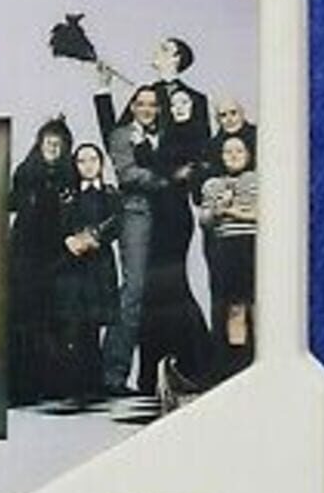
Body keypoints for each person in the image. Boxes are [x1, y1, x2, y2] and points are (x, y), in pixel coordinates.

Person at [139, 88, 212, 390]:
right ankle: (161, 367)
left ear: (195, 107)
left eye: (185, 102)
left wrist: (187, 173)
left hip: (174, 218)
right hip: (155, 217)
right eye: (173, 103)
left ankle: (194, 363)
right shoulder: (166, 134)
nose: (179, 106)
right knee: (156, 291)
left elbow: (187, 176)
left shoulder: (195, 138)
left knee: (169, 286)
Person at [100, 86, 168, 395]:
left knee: (162, 293)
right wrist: (166, 178)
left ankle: (151, 378)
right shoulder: (121, 134)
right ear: (132, 107)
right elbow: (127, 174)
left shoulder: (166, 134)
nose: (147, 109)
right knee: (134, 290)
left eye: (152, 104)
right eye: (141, 103)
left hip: (168, 217)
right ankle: (112, 374)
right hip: (135, 212)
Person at [8, 118, 74, 403]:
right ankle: (21, 385)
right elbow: (13, 203)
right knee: (23, 317)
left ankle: (49, 383)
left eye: (59, 143)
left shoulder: (69, 176)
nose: (53, 147)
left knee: (51, 320)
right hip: (25, 254)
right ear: (40, 143)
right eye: (49, 141)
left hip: (55, 255)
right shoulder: (26, 172)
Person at [53, 144, 121, 401]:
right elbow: (59, 224)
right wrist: (69, 240)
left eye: (93, 159)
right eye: (82, 161)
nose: (88, 165)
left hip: (99, 265)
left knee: (94, 322)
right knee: (75, 321)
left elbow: (118, 222)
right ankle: (75, 384)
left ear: (101, 163)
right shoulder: (67, 195)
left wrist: (95, 237)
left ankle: (95, 383)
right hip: (73, 265)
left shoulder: (110, 194)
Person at [199, 135, 258, 379]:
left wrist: (231, 211)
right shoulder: (212, 185)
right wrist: (217, 211)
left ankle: (260, 360)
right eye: (228, 152)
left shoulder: (258, 179)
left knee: (258, 305)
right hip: (227, 249)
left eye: (239, 151)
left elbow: (264, 213)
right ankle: (238, 365)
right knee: (235, 306)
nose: (233, 156)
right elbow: (204, 220)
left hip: (254, 247)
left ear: (249, 154)